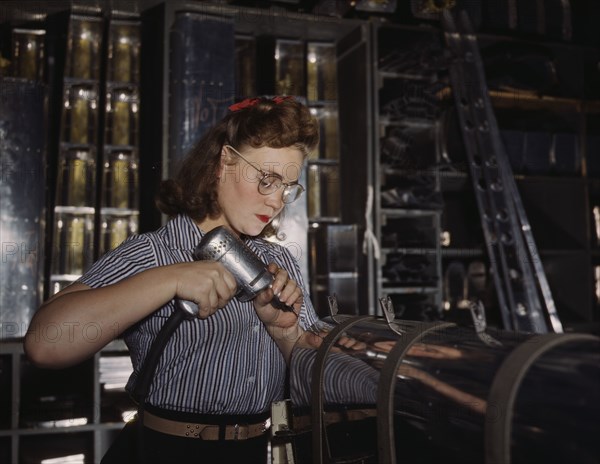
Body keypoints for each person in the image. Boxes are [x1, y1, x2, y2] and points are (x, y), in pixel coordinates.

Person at [24, 96, 321, 463]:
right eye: (267, 180)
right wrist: (169, 279)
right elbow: (43, 344)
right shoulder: (154, 253)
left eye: (287, 187)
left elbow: (318, 387)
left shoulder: (278, 262)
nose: (277, 201)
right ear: (224, 161)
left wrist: (286, 332)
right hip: (166, 451)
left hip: (252, 452)